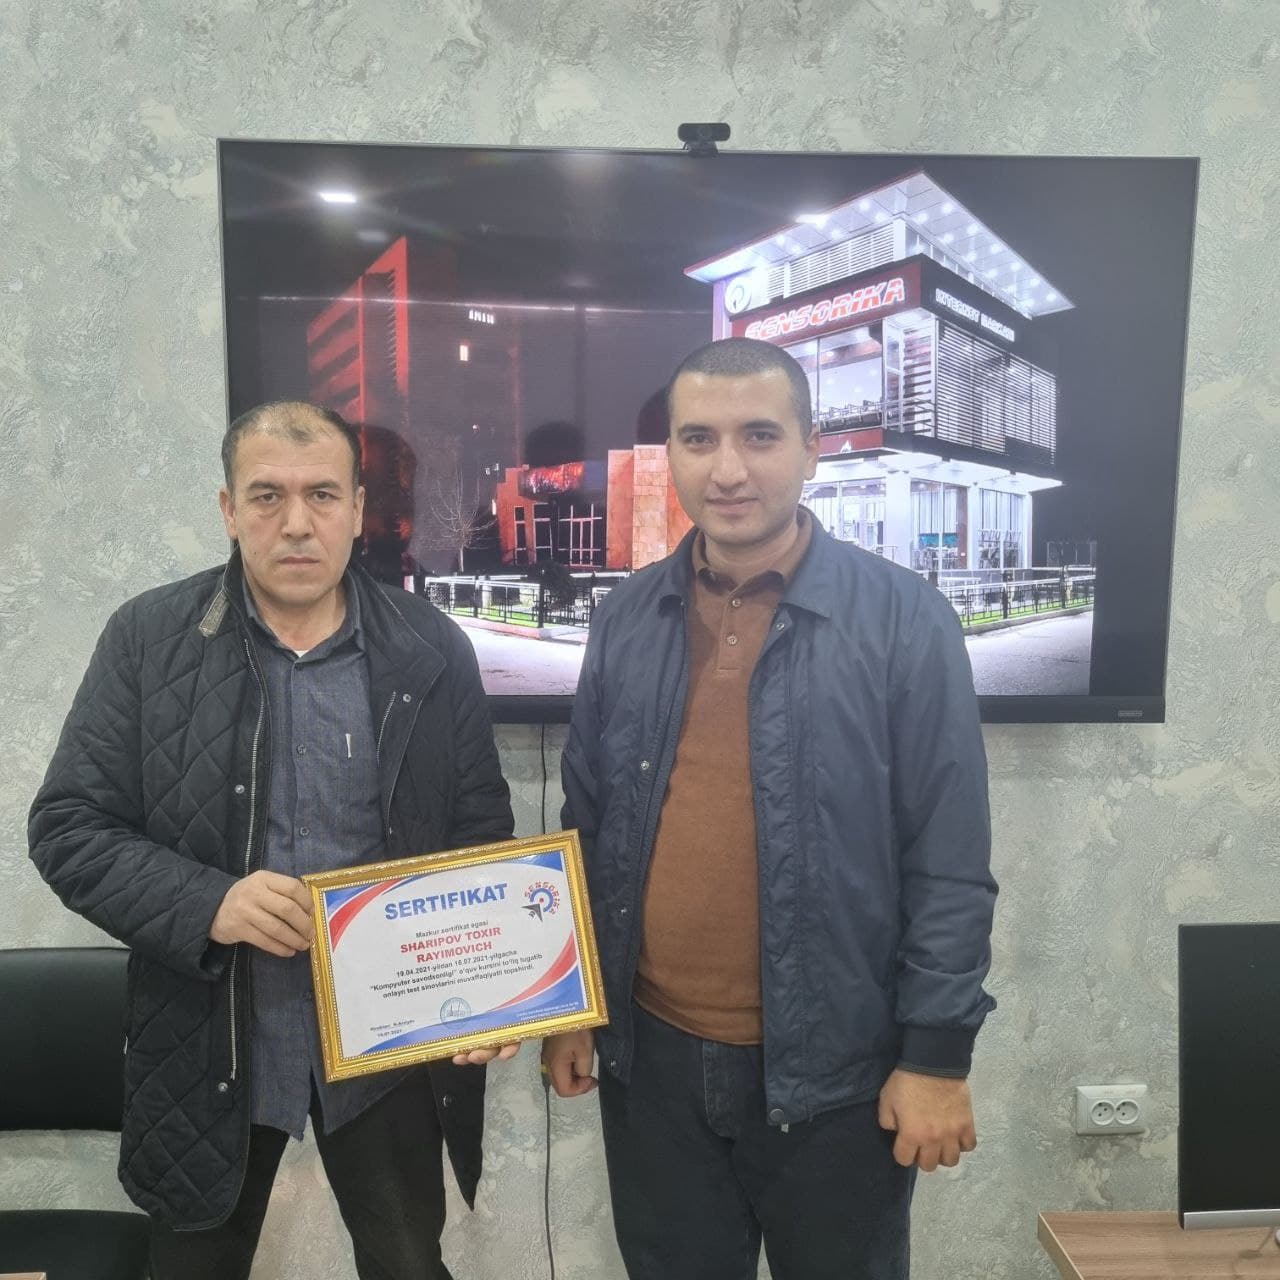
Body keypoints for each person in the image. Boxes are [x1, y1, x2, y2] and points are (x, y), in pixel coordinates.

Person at [542, 339, 997, 1280]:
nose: (728, 470)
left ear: (811, 448)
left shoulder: (905, 619)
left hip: (839, 1078)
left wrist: (937, 1056)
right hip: (652, 1068)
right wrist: (569, 1007)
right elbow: (583, 829)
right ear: (671, 453)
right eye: (698, 439)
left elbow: (948, 861)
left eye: (759, 435)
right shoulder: (626, 616)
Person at [28, 401, 515, 1280]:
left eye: (322, 494)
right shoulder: (148, 639)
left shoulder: (430, 647)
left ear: (358, 509)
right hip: (210, 1043)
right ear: (228, 509)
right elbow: (68, 828)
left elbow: (479, 837)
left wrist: (488, 996)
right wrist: (209, 902)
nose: (296, 522)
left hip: (387, 1051)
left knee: (410, 1264)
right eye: (267, 496)